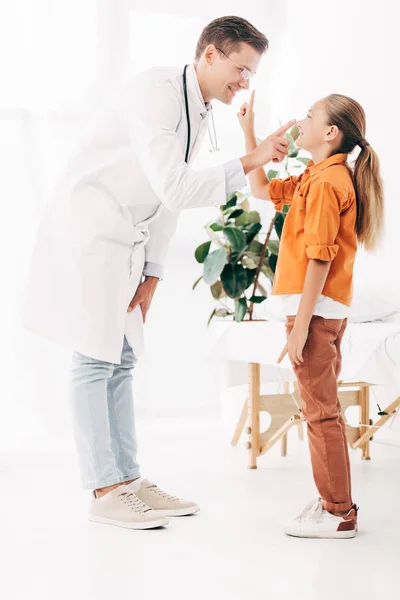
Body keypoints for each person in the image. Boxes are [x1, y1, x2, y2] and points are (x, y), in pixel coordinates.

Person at [24, 16, 295, 530]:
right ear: (210, 55)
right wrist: (253, 157)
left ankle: (127, 478)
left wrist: (152, 271)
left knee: (122, 357)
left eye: (251, 74)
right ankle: (104, 487)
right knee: (94, 356)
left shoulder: (197, 109)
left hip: (127, 238)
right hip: (92, 229)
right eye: (241, 68)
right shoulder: (157, 92)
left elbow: (171, 197)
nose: (244, 82)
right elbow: (176, 187)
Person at [238, 90, 384, 538]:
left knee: (320, 413)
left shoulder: (325, 183)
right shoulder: (316, 175)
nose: (300, 121)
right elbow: (262, 189)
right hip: (318, 310)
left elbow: (320, 259)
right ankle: (333, 503)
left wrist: (301, 326)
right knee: (320, 409)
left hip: (315, 312)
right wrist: (249, 132)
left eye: (309, 115)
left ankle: (339, 513)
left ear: (331, 132)